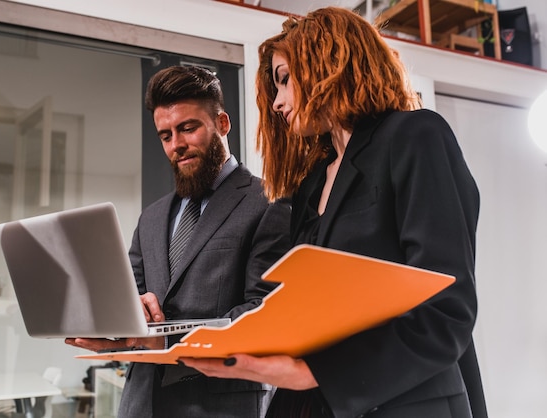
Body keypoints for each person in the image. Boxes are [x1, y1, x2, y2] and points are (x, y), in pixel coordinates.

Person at [180, 7, 488, 418]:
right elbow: (301, 308)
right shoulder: (310, 184)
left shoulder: (415, 136)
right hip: (312, 403)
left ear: (328, 63)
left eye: (285, 79)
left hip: (404, 402)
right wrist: (171, 337)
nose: (276, 102)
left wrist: (318, 372)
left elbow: (446, 309)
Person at [65, 65, 291, 417]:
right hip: (142, 402)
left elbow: (263, 313)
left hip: (221, 405)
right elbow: (132, 293)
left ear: (222, 124)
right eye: (166, 135)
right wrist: (121, 318)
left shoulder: (269, 202)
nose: (177, 145)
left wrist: (169, 340)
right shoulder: (151, 218)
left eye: (188, 128)